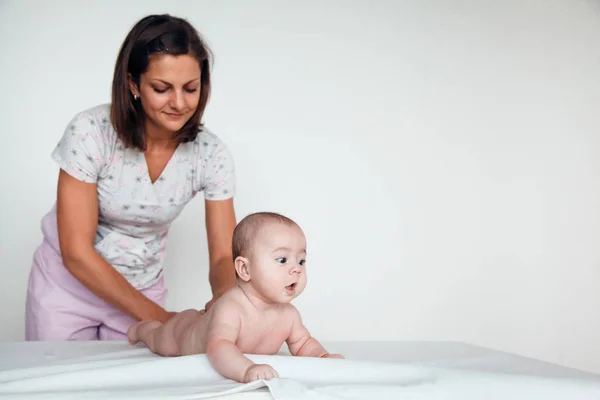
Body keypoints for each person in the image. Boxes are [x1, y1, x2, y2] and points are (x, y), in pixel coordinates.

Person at [25, 14, 237, 341]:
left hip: (143, 290)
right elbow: (76, 252)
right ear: (133, 83)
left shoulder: (211, 154)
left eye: (190, 88)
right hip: (67, 289)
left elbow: (223, 256)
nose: (179, 103)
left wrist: (230, 308)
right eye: (162, 88)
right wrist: (164, 320)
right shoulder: (90, 133)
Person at [127, 212, 344, 383]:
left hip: (209, 320)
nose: (296, 269)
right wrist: (246, 369)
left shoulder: (289, 315)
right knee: (162, 341)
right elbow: (218, 347)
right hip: (184, 334)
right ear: (244, 269)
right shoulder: (232, 307)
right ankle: (143, 329)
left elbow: (303, 343)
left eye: (301, 261)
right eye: (282, 260)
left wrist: (322, 358)